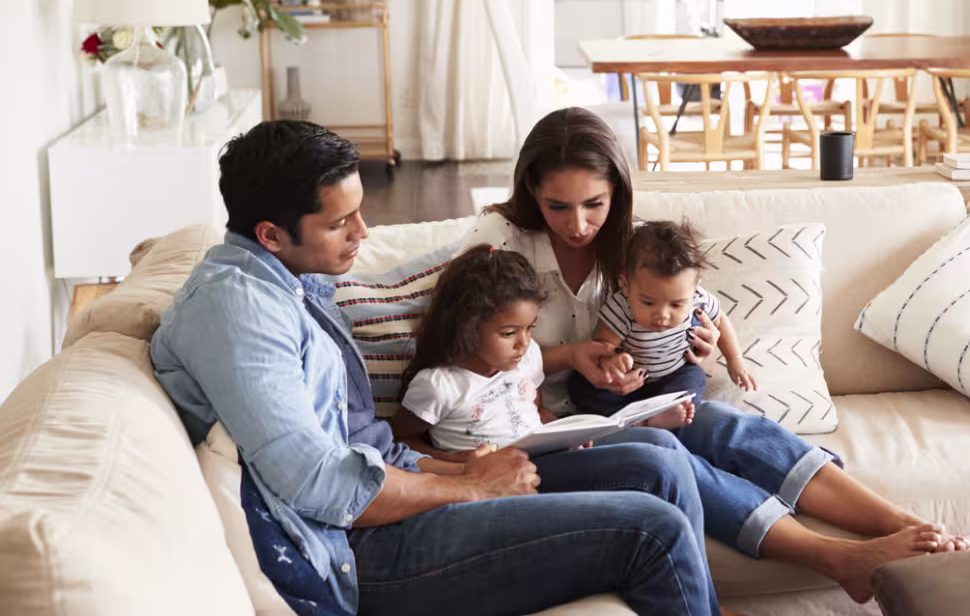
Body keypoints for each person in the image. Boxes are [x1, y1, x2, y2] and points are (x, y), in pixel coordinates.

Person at [151, 121, 720, 616]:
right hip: (361, 548)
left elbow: (359, 443)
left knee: (661, 462)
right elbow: (318, 484)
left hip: (393, 487)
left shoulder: (290, 280)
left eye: (359, 212)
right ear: (272, 235)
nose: (363, 232)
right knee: (653, 530)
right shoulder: (240, 310)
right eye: (340, 223)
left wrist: (452, 464)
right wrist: (469, 485)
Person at [449, 107, 970, 603]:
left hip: (630, 405)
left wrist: (696, 349)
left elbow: (688, 317)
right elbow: (462, 346)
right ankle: (840, 559)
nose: (579, 224)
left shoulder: (634, 248)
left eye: (595, 204)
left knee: (724, 425)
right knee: (667, 453)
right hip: (541, 425)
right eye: (557, 206)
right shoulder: (500, 240)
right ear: (531, 193)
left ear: (617, 193)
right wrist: (570, 356)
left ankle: (900, 522)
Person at [390, 245, 694, 456]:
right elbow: (401, 439)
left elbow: (534, 412)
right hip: (508, 478)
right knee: (654, 456)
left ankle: (642, 424)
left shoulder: (526, 358)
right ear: (466, 326)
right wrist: (456, 464)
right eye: (509, 333)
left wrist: (565, 435)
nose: (524, 343)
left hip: (549, 457)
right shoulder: (439, 386)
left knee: (659, 444)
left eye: (530, 328)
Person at [570, 219, 753, 418]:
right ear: (625, 284)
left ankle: (665, 414)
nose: (663, 315)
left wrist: (735, 360)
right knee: (580, 387)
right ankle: (636, 419)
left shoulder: (698, 299)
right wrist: (612, 361)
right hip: (628, 383)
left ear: (695, 286)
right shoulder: (622, 308)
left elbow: (721, 322)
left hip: (673, 376)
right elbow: (602, 344)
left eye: (676, 304)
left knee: (693, 378)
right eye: (648, 303)